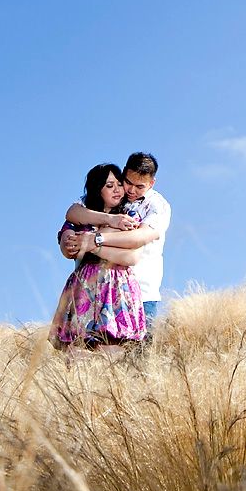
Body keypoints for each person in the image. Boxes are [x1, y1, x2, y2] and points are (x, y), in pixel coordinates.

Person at [60, 151, 171, 338]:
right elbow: (73, 212)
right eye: (127, 182)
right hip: (93, 288)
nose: (131, 191)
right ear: (125, 172)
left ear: (152, 183)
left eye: (140, 186)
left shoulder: (157, 205)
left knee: (136, 353)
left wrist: (94, 240)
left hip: (140, 291)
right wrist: (110, 220)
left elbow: (139, 237)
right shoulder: (113, 194)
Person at [48, 162, 148, 354]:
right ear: (97, 190)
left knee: (112, 346)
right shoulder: (82, 216)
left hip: (117, 283)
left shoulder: (129, 214)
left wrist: (91, 244)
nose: (117, 190)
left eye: (119, 184)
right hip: (85, 284)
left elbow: (131, 255)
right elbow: (68, 246)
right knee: (77, 348)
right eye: (109, 186)